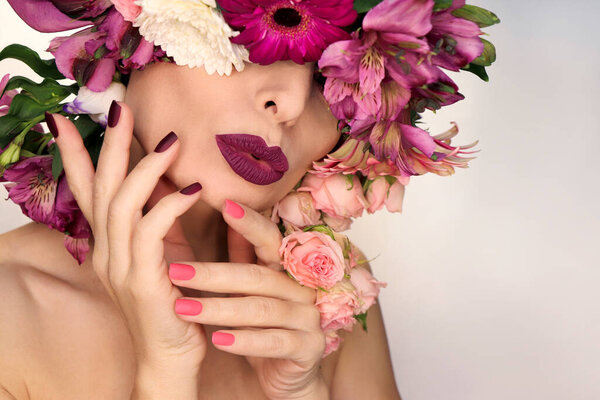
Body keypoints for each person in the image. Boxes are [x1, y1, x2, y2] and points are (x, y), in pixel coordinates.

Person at [0, 0, 499, 398]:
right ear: (128, 32)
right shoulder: (10, 313)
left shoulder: (331, 300)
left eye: (331, 77)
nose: (288, 103)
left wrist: (302, 394)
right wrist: (164, 377)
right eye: (244, 26)